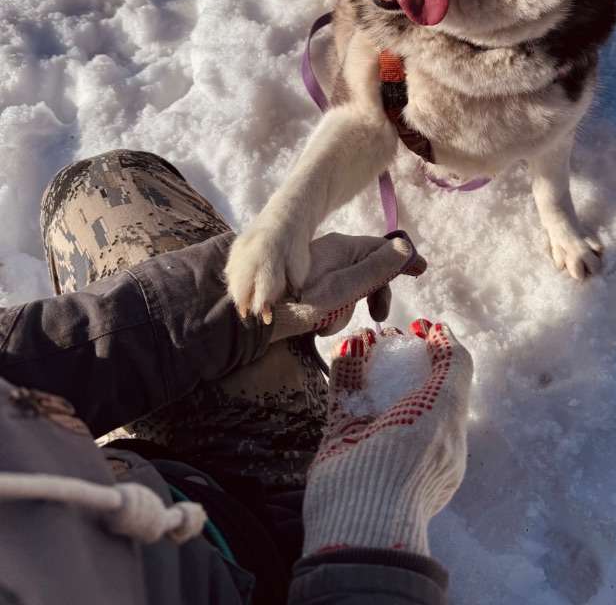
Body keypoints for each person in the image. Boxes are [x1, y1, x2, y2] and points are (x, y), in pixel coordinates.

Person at [0, 149, 473, 604]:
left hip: (145, 485)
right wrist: (368, 523)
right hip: (285, 561)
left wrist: (225, 310)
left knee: (101, 184)